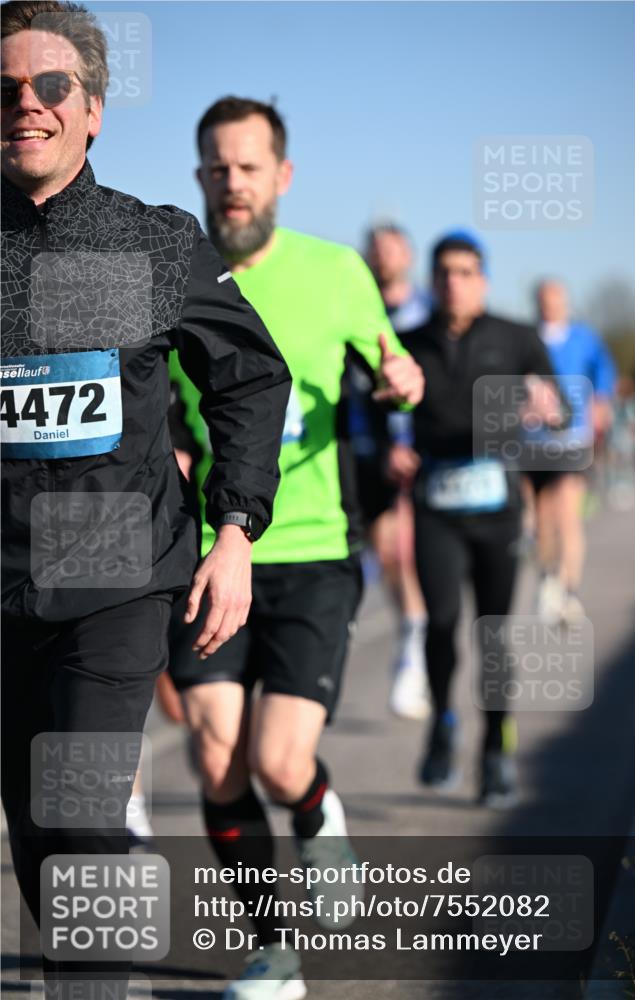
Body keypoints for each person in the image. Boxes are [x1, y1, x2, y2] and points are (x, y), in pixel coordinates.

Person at [0, 1, 290, 982]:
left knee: (81, 820)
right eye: (4, 90)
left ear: (92, 111)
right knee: (40, 839)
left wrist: (237, 531)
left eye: (50, 87)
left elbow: (249, 375)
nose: (25, 106)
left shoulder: (153, 243)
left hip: (119, 586)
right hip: (1, 591)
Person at [167, 97, 423, 999]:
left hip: (312, 548)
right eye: (215, 168)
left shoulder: (335, 271)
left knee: (278, 762)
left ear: (281, 174)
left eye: (248, 166)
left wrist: (401, 380)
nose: (231, 184)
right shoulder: (173, 270)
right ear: (198, 175)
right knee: (212, 756)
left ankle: (318, 813)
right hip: (207, 552)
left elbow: (393, 371)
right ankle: (272, 949)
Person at [396, 230, 564, 807]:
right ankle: (443, 723)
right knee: (441, 624)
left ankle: (495, 750)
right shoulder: (407, 340)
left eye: (465, 272)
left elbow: (560, 406)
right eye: (443, 272)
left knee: (492, 635)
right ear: (431, 278)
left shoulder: (516, 338)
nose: (453, 282)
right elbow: (376, 406)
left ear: (483, 279)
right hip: (436, 506)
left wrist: (548, 407)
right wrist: (393, 443)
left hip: (497, 508)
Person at [349, 223, 431, 719]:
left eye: (391, 248)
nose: (382, 257)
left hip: (420, 455)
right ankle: (410, 639)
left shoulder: (425, 310)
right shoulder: (357, 307)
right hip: (371, 454)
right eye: (375, 249)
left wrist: (412, 442)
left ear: (409, 254)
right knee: (385, 553)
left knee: (408, 555)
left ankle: (416, 652)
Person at [529, 280, 617, 624]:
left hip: (572, 441)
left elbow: (604, 373)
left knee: (568, 515)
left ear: (565, 301)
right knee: (542, 520)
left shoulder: (583, 338)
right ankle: (549, 578)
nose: (550, 305)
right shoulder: (527, 336)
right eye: (544, 299)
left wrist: (600, 403)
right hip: (534, 442)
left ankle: (570, 589)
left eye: (556, 299)